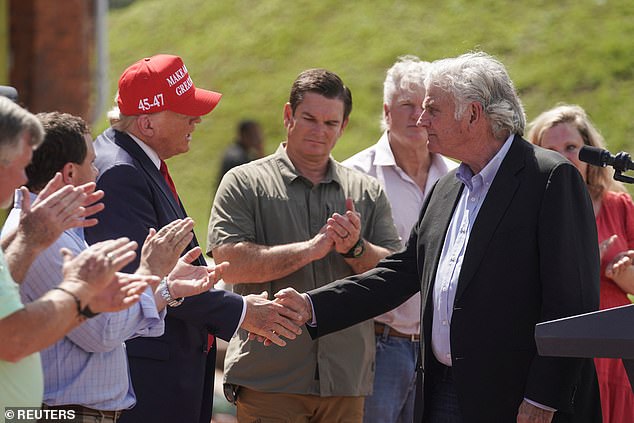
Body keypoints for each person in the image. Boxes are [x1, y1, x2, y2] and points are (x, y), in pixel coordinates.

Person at [275, 52, 602, 423]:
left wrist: (544, 398)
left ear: (474, 114)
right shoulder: (448, 187)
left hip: (518, 399)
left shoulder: (549, 178)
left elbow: (572, 303)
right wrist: (311, 306)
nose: (420, 120)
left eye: (433, 110)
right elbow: (403, 272)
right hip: (444, 391)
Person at [84, 54, 303, 423]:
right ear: (148, 122)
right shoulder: (122, 171)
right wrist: (245, 312)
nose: (197, 120)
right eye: (186, 111)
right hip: (148, 379)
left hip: (162, 368)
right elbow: (147, 281)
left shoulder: (130, 159)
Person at [2, 111, 230, 421]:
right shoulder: (45, 238)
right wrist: (150, 272)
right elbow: (103, 333)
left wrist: (165, 287)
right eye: (91, 163)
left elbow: (102, 316)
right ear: (69, 173)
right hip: (66, 413)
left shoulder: (52, 230)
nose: (98, 172)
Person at [208, 68, 401, 422]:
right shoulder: (244, 182)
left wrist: (356, 249)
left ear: (343, 127)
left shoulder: (366, 191)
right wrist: (309, 250)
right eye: (309, 118)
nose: (319, 131)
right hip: (270, 378)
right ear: (287, 116)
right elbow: (229, 263)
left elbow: (393, 276)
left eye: (331, 123)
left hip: (345, 379)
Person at [0, 97, 148, 410]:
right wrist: (154, 281)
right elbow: (13, 339)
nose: (22, 180)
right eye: (17, 164)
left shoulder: (42, 229)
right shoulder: (42, 234)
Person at [342, 55, 458, 423]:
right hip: (378, 344)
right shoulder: (355, 175)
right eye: (406, 105)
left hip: (440, 350)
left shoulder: (458, 177)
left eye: (425, 107)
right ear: (386, 111)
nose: (416, 116)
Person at [528, 104, 634, 423]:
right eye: (550, 150)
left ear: (590, 151)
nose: (564, 157)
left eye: (572, 147)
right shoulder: (532, 213)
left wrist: (625, 273)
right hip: (561, 353)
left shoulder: (619, 205)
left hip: (618, 356)